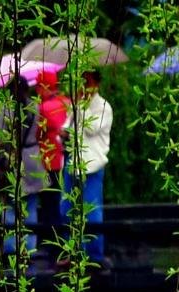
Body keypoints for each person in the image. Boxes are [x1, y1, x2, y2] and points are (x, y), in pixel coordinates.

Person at [60, 70, 113, 265]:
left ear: (96, 84)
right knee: (66, 210)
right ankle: (72, 252)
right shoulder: (76, 105)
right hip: (73, 163)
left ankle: (94, 256)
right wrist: (64, 131)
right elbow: (67, 127)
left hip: (92, 165)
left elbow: (91, 128)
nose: (83, 86)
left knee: (91, 212)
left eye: (87, 82)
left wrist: (79, 105)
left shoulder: (103, 107)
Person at [0, 75, 44, 255]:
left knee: (10, 206)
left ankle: (12, 248)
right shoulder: (35, 107)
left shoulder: (5, 111)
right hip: (32, 159)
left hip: (12, 161)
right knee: (30, 206)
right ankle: (30, 248)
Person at [35, 70, 70, 228]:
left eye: (38, 87)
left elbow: (37, 134)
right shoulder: (68, 103)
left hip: (48, 160)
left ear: (44, 86)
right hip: (67, 158)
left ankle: (52, 244)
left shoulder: (43, 108)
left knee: (50, 203)